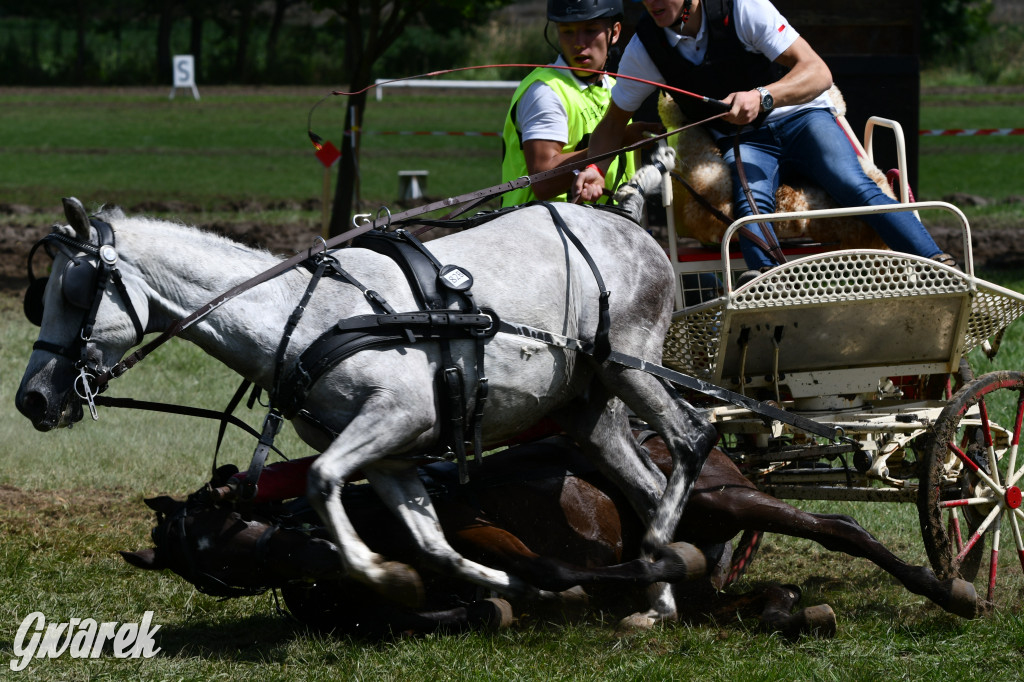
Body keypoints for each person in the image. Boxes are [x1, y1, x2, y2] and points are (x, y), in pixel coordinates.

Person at [572, 0, 953, 278]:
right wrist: (595, 167)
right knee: (749, 204)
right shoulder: (645, 47)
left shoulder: (743, 9)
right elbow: (611, 124)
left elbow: (818, 72)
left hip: (802, 118)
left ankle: (941, 268)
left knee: (852, 183)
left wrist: (763, 97)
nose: (652, 2)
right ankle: (768, 289)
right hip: (745, 139)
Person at [500, 0, 661, 207]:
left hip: (605, 227)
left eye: (591, 30)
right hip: (542, 229)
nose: (579, 43)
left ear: (615, 32)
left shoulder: (616, 89)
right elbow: (543, 182)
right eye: (567, 32)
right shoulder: (545, 91)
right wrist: (619, 140)